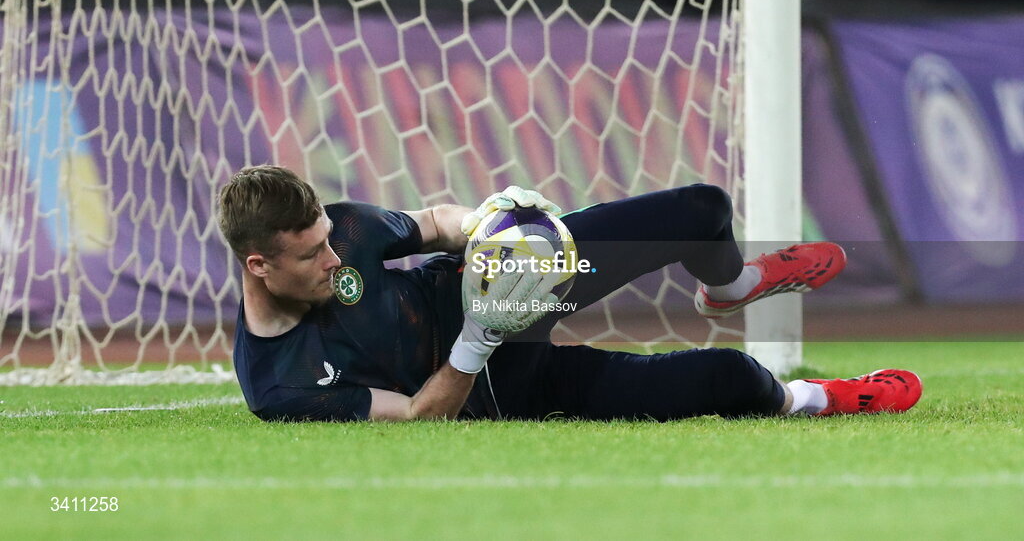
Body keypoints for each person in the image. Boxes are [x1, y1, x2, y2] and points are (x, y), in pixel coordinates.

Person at [218, 165, 921, 422]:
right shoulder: (279, 385)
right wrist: (479, 340)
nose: (334, 255)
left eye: (328, 237)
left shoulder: (342, 227)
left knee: (701, 210)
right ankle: (824, 398)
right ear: (258, 266)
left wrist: (489, 221)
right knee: (731, 377)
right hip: (507, 386)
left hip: (512, 285)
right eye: (312, 255)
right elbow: (418, 416)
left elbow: (434, 223)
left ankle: (730, 289)